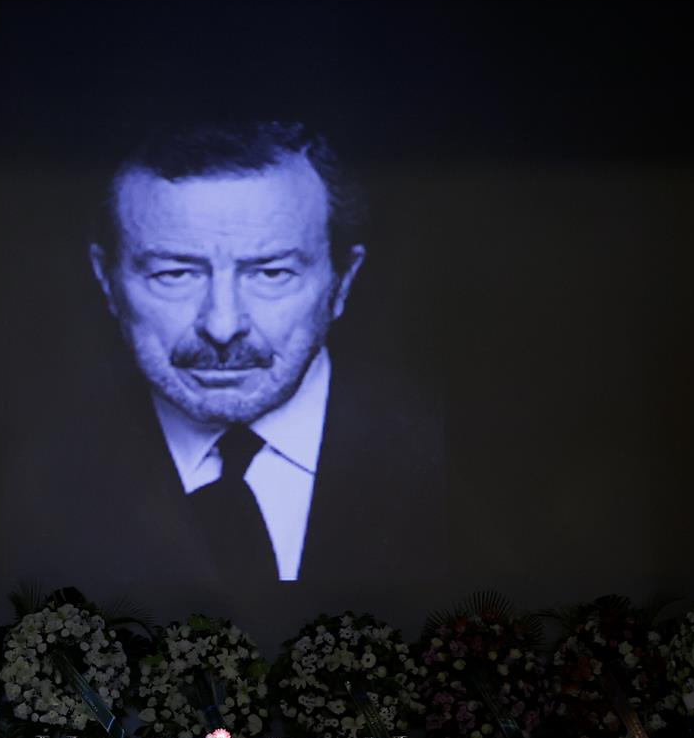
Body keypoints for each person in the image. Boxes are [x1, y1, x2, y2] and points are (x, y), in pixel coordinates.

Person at [66, 121, 441, 593]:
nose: (222, 327)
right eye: (175, 274)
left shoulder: (451, 459)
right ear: (107, 281)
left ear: (343, 281)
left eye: (271, 273)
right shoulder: (37, 489)